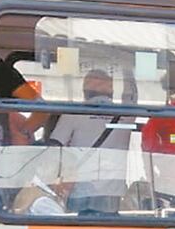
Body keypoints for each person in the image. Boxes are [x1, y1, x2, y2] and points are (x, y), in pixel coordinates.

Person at [48, 69, 132, 214]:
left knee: (79, 226)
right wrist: (128, 71)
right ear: (111, 90)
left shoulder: (73, 113)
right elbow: (131, 95)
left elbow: (55, 147)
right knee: (108, 227)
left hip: (79, 187)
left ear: (85, 90)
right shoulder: (127, 114)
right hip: (112, 191)